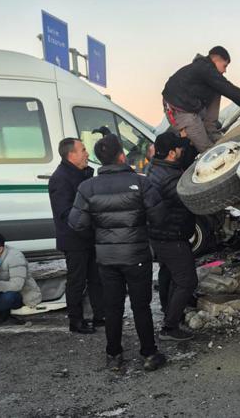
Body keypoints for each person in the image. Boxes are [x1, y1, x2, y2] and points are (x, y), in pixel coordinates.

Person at [68, 134, 167, 372]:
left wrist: (98, 233)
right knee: (141, 306)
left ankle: (114, 355)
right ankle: (149, 353)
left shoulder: (87, 187)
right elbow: (159, 218)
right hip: (137, 256)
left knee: (112, 307)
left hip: (107, 258)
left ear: (100, 159)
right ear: (121, 155)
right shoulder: (141, 183)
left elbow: (76, 223)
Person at [48, 138, 105, 334]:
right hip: (74, 239)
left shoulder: (82, 173)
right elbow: (65, 214)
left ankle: (100, 316)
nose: (87, 153)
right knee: (77, 281)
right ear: (71, 155)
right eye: (83, 150)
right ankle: (76, 321)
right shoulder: (60, 178)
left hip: (88, 236)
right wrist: (90, 219)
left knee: (96, 278)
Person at [147, 132, 198, 342]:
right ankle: (170, 326)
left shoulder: (156, 167)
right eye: (179, 149)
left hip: (161, 235)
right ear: (170, 153)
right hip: (171, 236)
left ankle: (169, 310)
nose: (182, 151)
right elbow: (189, 198)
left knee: (168, 274)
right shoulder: (171, 178)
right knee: (187, 280)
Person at [162, 46, 240, 152]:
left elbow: (224, 87)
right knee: (208, 150)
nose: (225, 70)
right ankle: (211, 144)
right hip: (180, 112)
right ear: (216, 59)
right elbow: (229, 89)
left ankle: (211, 129)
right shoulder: (204, 69)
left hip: (189, 104)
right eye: (224, 66)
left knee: (217, 88)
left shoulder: (203, 68)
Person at [0, 233, 41, 321]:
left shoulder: (14, 257)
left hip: (19, 293)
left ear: (0, 249)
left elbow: (17, 286)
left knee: (8, 297)